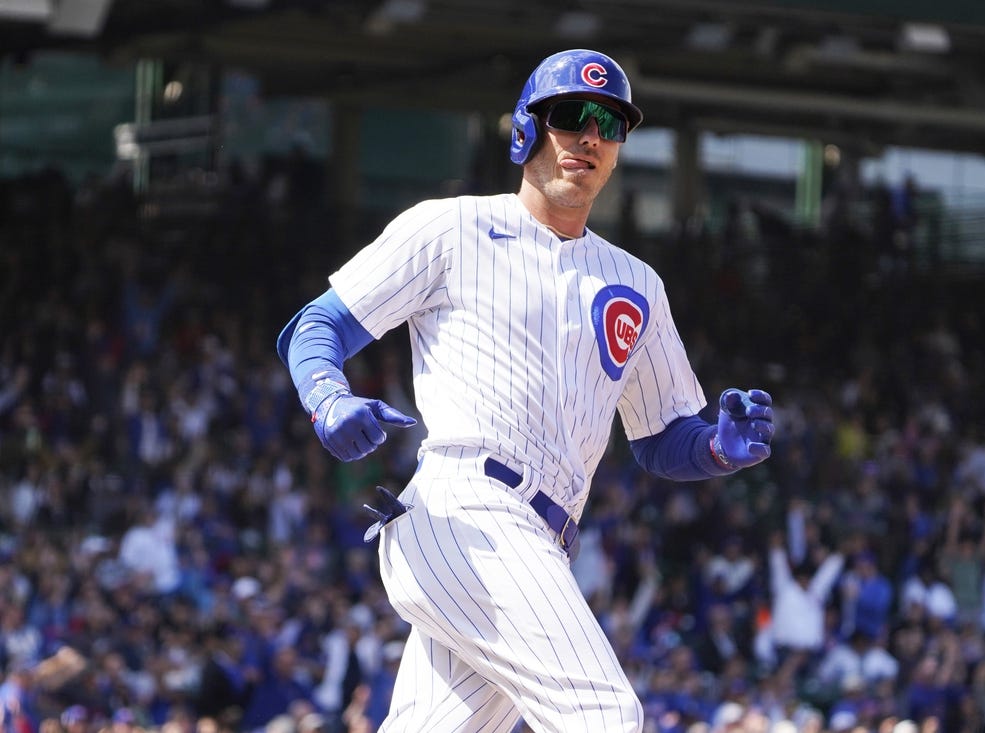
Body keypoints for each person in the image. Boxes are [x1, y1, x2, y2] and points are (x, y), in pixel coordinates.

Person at [275, 48, 775, 733]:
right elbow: (316, 325)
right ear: (526, 130)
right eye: (571, 117)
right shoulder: (450, 226)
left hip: (544, 541)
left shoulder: (636, 283)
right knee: (601, 712)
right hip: (467, 508)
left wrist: (716, 447)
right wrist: (328, 397)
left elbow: (661, 439)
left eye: (610, 123)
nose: (590, 137)